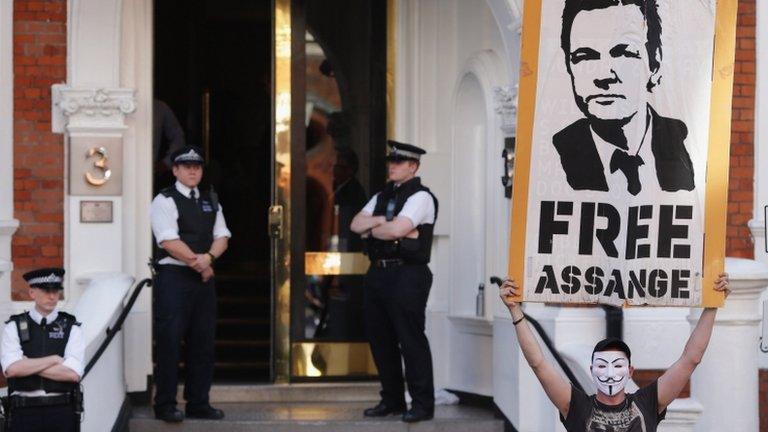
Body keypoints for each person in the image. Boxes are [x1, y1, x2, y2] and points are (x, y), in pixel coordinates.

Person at [498, 273, 730, 431]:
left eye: (617, 365)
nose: (610, 372)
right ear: (591, 370)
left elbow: (691, 359)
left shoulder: (647, 402)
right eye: (602, 365)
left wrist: (712, 306)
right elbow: (538, 363)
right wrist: (515, 312)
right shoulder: (577, 407)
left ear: (630, 371)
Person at [552, 0, 695, 195]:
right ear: (569, 67)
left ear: (655, 64)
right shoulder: (552, 154)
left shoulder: (685, 142)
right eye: (584, 56)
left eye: (623, 53)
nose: (603, 75)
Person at [350, 140, 438, 423]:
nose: (392, 166)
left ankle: (422, 404)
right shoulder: (382, 195)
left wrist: (385, 228)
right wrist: (386, 226)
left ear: (413, 166)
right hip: (378, 273)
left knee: (410, 340)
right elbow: (355, 225)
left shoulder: (421, 197)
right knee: (381, 340)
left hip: (407, 275)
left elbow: (397, 228)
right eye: (391, 162)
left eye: (398, 162)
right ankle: (392, 400)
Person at [150, 145, 231, 422]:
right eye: (186, 166)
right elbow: (169, 241)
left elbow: (222, 237)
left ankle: (198, 403)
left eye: (197, 167)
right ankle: (165, 405)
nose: (193, 171)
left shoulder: (210, 198)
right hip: (174, 278)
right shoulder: (164, 200)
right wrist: (200, 264)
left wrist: (208, 258)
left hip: (202, 279)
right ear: (175, 170)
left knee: (203, 343)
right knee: (170, 342)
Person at [1, 268, 84, 432]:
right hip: (24, 412)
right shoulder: (14, 327)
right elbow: (11, 369)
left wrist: (27, 365)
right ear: (32, 293)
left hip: (62, 411)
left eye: (56, 290)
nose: (52, 296)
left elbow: (73, 374)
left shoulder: (71, 327)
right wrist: (53, 359)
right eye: (46, 291)